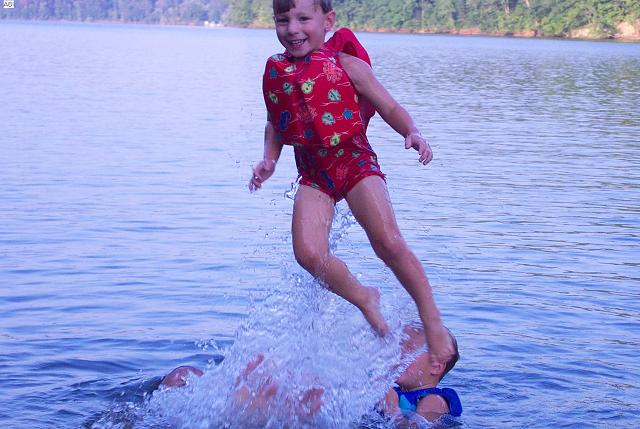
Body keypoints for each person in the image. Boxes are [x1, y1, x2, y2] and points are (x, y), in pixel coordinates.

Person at [248, 0, 453, 366]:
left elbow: (389, 106)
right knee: (308, 254)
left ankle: (433, 323)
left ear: (327, 21)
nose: (292, 29)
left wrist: (411, 131)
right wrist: (269, 160)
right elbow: (275, 123)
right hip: (314, 174)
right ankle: (363, 297)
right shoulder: (277, 72)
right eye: (283, 19)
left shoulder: (347, 65)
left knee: (388, 243)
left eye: (303, 18)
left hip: (355, 162)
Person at [159, 325, 461, 423]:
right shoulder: (380, 386)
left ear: (436, 365)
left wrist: (393, 410)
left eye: (407, 349)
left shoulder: (434, 400)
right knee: (183, 374)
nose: (395, 353)